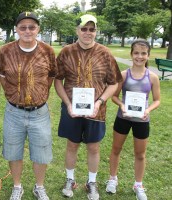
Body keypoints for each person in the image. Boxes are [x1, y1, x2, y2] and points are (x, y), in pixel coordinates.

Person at [54, 14, 123, 200]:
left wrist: (99, 102)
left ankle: (91, 182)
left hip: (96, 110)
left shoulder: (105, 53)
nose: (87, 32)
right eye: (84, 29)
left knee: (93, 147)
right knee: (72, 144)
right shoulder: (67, 52)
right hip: (72, 110)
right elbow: (57, 80)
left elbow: (114, 82)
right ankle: (70, 179)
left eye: (91, 29)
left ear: (96, 31)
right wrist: (68, 104)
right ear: (77, 30)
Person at [0, 12, 57, 200]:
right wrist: (16, 95)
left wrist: (37, 94)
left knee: (42, 151)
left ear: (38, 29)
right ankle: (17, 186)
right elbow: (2, 78)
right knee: (14, 150)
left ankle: (39, 187)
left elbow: (51, 77)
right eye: (23, 27)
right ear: (17, 29)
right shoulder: (6, 51)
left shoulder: (47, 51)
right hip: (14, 111)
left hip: (39, 112)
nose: (27, 30)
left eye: (32, 27)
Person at [105, 39, 160, 200]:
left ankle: (138, 184)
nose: (139, 56)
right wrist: (122, 105)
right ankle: (112, 179)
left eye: (143, 53)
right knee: (116, 150)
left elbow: (157, 100)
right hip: (123, 118)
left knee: (140, 154)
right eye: (136, 53)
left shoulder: (153, 77)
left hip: (142, 120)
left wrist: (148, 109)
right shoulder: (123, 75)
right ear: (131, 54)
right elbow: (114, 96)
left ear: (148, 55)